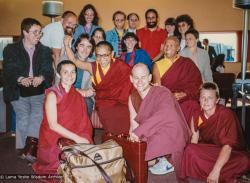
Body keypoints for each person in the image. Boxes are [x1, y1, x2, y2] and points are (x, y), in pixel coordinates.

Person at [3, 18, 54, 159]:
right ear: (25, 32)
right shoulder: (11, 49)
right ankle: (26, 148)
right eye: (35, 32)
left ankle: (28, 149)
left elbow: (48, 70)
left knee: (37, 115)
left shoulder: (44, 50)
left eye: (40, 32)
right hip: (18, 89)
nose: (39, 35)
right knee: (23, 116)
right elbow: (9, 70)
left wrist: (42, 77)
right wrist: (20, 78)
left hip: (37, 89)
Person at [129, 63, 191, 178]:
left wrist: (138, 133)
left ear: (150, 78)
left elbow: (166, 114)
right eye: (136, 78)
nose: (140, 81)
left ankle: (168, 159)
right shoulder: (132, 96)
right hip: (149, 129)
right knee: (132, 151)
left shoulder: (162, 92)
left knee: (141, 155)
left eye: (143, 77)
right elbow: (133, 122)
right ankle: (157, 158)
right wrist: (132, 140)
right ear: (131, 79)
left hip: (170, 130)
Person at [181, 82, 250, 183]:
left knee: (245, 161)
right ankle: (228, 177)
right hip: (210, 153)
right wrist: (191, 156)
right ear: (199, 99)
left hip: (229, 154)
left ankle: (213, 174)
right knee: (189, 150)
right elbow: (194, 143)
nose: (205, 101)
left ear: (217, 100)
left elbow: (228, 146)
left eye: (210, 98)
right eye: (202, 97)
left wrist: (215, 170)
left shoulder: (226, 114)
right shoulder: (196, 115)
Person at [32, 60, 93, 175]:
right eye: (66, 72)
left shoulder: (77, 95)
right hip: (53, 138)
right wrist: (77, 139)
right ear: (59, 75)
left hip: (73, 134)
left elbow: (83, 122)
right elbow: (52, 125)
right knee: (62, 170)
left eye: (73, 72)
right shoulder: (52, 95)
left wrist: (84, 137)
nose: (70, 76)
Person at [64, 37, 133, 135]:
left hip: (121, 101)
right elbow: (74, 61)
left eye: (105, 55)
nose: (102, 59)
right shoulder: (92, 66)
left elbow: (133, 78)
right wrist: (66, 45)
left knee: (125, 115)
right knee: (110, 121)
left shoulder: (120, 65)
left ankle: (126, 140)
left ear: (112, 54)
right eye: (98, 55)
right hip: (104, 102)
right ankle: (114, 139)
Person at [152, 36, 202, 124]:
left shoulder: (187, 62)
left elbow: (196, 83)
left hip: (186, 98)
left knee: (192, 106)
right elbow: (158, 89)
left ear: (178, 48)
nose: (167, 47)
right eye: (166, 45)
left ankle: (193, 136)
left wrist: (185, 94)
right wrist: (171, 96)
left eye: (171, 45)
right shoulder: (157, 65)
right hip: (167, 100)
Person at [71, 34, 96, 116]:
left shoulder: (94, 64)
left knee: (86, 102)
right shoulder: (67, 59)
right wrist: (78, 91)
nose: (85, 50)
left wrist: (91, 91)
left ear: (92, 50)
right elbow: (58, 85)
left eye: (89, 47)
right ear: (76, 46)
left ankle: (83, 128)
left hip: (86, 97)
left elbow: (96, 87)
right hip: (68, 93)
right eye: (82, 45)